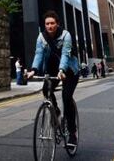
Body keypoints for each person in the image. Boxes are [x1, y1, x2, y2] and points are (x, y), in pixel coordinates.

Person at [26, 11, 80, 149]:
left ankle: (72, 133)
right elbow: (39, 53)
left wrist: (62, 70)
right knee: (46, 90)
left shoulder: (65, 35)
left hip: (69, 69)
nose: (49, 26)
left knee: (66, 97)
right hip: (52, 68)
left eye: (52, 23)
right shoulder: (41, 37)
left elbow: (65, 54)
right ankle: (55, 112)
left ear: (57, 24)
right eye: (47, 23)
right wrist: (34, 70)